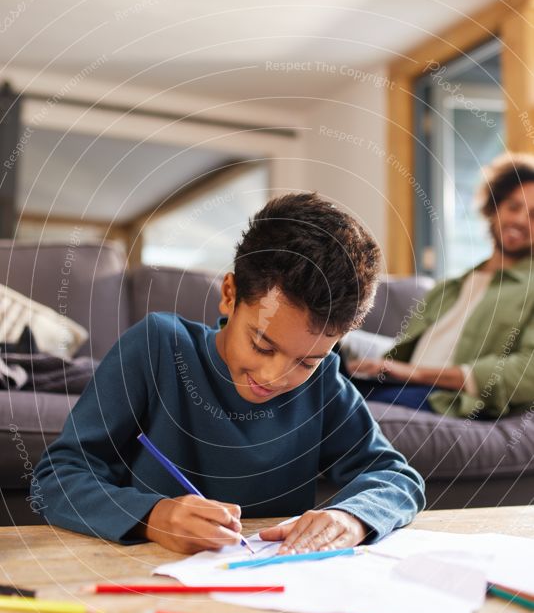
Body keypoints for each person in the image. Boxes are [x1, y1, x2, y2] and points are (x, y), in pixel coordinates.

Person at [33, 193, 424, 554]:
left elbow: (398, 478)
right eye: (262, 345)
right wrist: (152, 517)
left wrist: (351, 518)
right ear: (230, 294)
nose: (274, 376)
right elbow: (54, 479)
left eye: (306, 361)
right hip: (156, 582)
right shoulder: (157, 348)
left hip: (272, 589)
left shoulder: (324, 385)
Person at [346, 152, 534, 418]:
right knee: (320, 371)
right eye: (513, 207)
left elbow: (529, 371)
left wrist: (419, 373)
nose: (520, 220)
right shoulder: (449, 288)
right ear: (494, 209)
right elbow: (400, 355)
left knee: (337, 411)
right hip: (400, 384)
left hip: (444, 398)